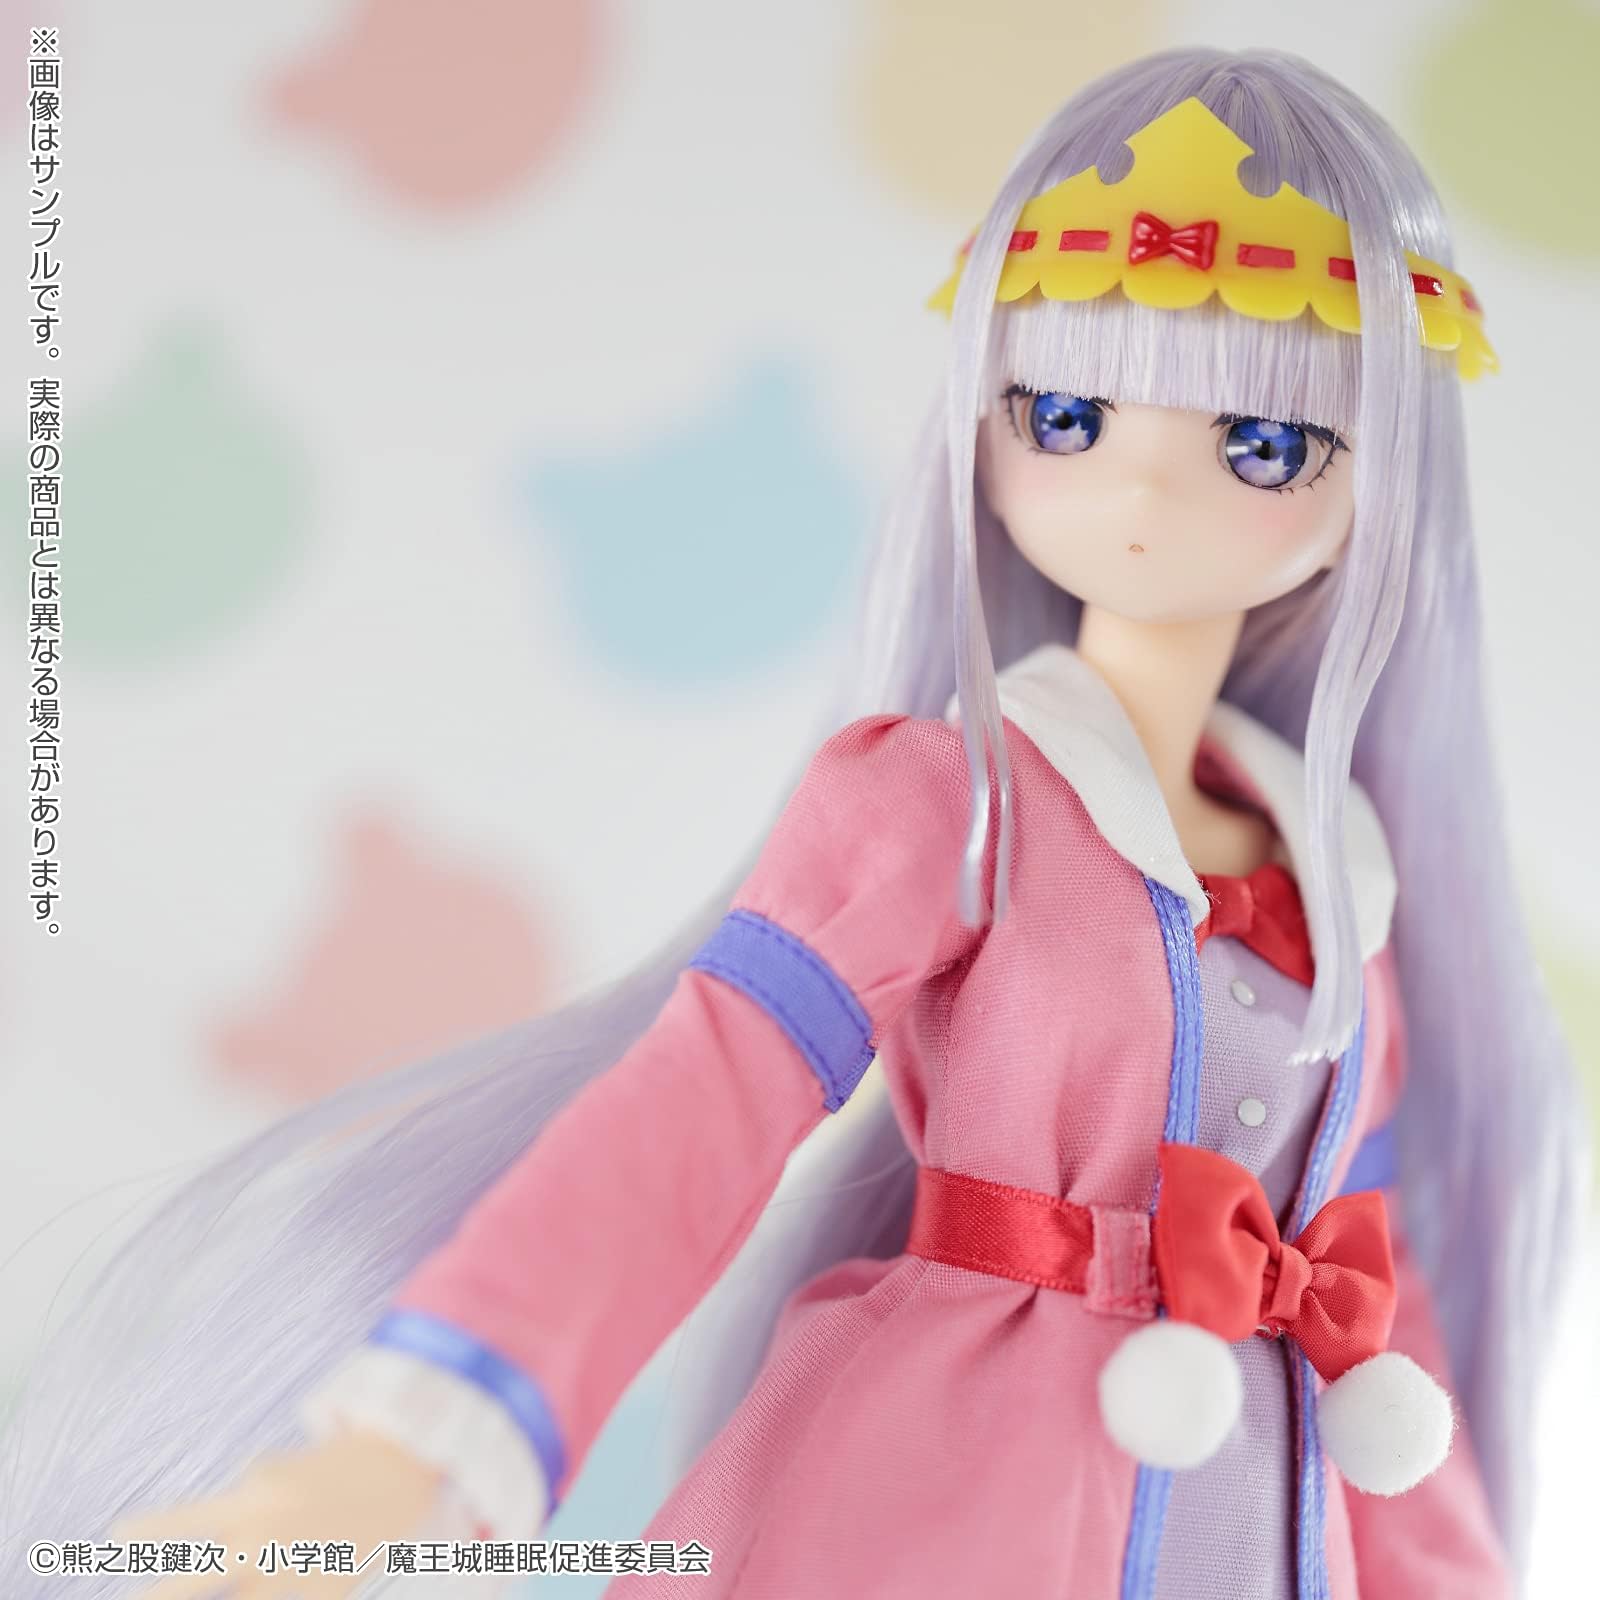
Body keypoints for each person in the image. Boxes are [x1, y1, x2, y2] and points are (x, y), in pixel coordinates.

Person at [1, 46, 1584, 1600]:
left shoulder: (1345, 890)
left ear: (1378, 484)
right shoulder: (948, 802)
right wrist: (403, 1448)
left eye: (1260, 445)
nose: (1144, 496)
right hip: (945, 1508)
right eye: (1066, 416)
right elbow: (699, 1111)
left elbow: (1371, 1315)